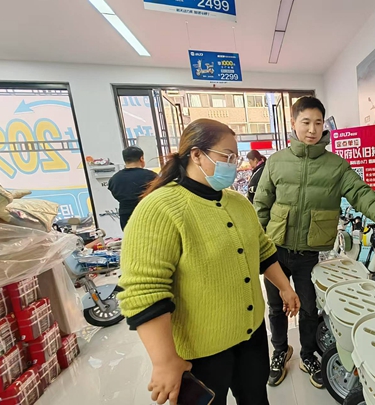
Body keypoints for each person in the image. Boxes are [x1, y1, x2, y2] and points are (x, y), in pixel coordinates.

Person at [117, 119, 300, 405]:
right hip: (200, 351)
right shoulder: (160, 208)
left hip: (250, 337)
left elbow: (263, 250)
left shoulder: (238, 203)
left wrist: (285, 288)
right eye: (227, 156)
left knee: (256, 398)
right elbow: (144, 290)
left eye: (235, 158)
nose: (233, 164)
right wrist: (164, 360)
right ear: (196, 154)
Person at [254, 96, 375, 389]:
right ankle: (280, 351)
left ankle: (308, 355)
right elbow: (261, 205)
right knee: (275, 307)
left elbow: (359, 192)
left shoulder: (336, 165)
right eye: (306, 122)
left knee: (310, 308)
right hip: (275, 250)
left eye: (318, 123)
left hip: (310, 253)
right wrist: (255, 246)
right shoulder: (276, 162)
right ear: (293, 123)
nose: (312, 129)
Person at [107, 146, 157, 230]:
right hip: (147, 214)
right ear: (141, 159)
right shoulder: (151, 176)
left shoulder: (115, 179)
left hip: (125, 216)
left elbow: (115, 193)